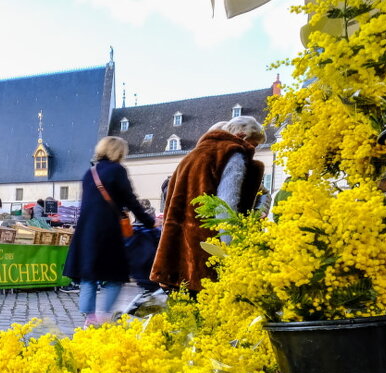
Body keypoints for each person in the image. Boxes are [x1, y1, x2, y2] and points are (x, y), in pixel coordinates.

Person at [151, 116, 266, 293]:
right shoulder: (232, 154)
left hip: (178, 254)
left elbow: (170, 207)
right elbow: (226, 207)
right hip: (207, 254)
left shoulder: (190, 157)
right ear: (242, 136)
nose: (253, 150)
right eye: (254, 144)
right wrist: (232, 252)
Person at [63, 136, 155, 326]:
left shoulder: (90, 172)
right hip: (108, 230)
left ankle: (89, 318)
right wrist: (148, 221)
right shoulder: (117, 171)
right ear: (119, 151)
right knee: (115, 275)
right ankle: (104, 316)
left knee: (89, 276)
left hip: (87, 230)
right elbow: (131, 200)